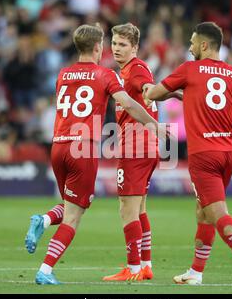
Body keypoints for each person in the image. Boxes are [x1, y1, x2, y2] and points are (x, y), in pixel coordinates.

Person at [144, 22, 232, 286]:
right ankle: (196, 273)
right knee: (203, 211)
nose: (189, 46)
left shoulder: (189, 69)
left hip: (203, 156)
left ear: (204, 45)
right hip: (228, 154)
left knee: (217, 213)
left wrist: (155, 91)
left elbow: (152, 93)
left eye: (193, 42)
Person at [24, 24, 164, 285]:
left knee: (71, 205)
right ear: (99, 48)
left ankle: (43, 219)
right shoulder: (106, 75)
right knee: (74, 215)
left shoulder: (62, 74)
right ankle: (45, 269)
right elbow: (131, 103)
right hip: (83, 147)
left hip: (58, 145)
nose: (114, 49)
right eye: (112, 44)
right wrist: (155, 124)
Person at [101, 23, 158, 282]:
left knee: (127, 209)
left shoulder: (135, 70)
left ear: (134, 47)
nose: (116, 48)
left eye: (123, 44)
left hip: (136, 146)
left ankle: (132, 268)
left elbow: (146, 87)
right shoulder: (126, 70)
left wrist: (150, 93)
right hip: (145, 146)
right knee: (140, 208)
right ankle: (145, 265)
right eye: (114, 43)